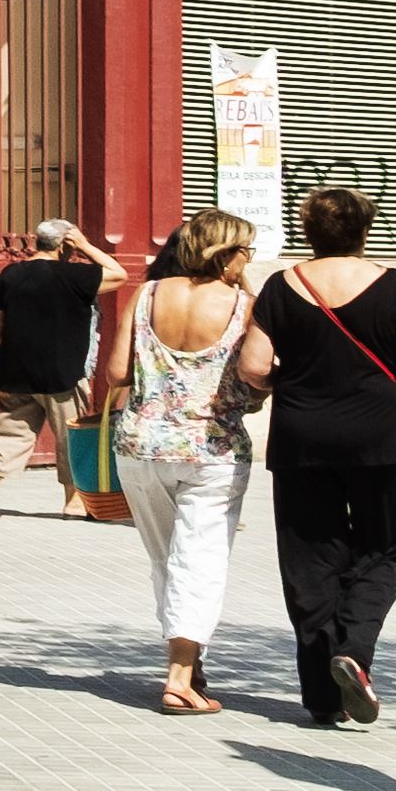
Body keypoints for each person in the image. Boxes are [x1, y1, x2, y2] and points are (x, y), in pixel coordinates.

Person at [236, 182, 396, 727]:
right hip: (378, 438)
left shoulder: (281, 287)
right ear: (364, 230)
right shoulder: (392, 285)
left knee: (310, 559)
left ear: (309, 231)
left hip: (301, 437)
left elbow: (253, 368)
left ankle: (322, 698)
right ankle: (354, 649)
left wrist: (300, 381)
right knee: (381, 548)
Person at [113, 209, 260, 714]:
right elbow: (257, 378)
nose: (249, 260)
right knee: (200, 560)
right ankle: (179, 676)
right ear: (227, 254)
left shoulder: (148, 293)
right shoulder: (244, 305)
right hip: (211, 448)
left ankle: (187, 662)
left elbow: (115, 370)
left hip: (140, 444)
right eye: (247, 250)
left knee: (164, 558)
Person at [0, 219, 117, 520]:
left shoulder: (10, 275)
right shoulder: (75, 275)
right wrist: (86, 246)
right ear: (65, 245)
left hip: (14, 370)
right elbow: (120, 275)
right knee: (69, 437)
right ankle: (74, 502)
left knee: (10, 434)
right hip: (61, 374)